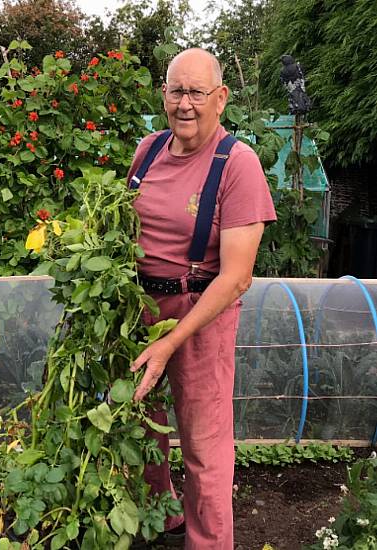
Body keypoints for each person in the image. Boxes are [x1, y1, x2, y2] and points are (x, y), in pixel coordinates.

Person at [127, 48, 276, 549]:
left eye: (196, 92)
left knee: (203, 444)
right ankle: (159, 519)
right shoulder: (148, 149)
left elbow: (236, 277)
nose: (184, 104)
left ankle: (208, 542)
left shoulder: (238, 164)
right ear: (163, 95)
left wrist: (170, 343)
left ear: (221, 99)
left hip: (200, 310)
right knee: (140, 424)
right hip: (141, 309)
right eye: (175, 91)